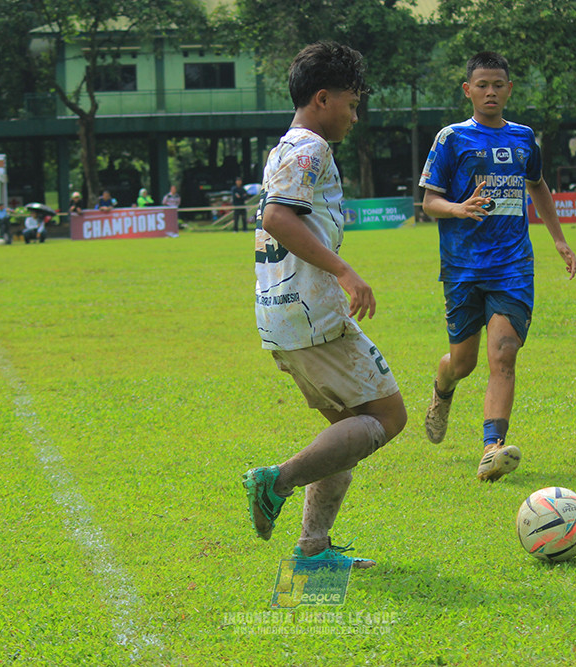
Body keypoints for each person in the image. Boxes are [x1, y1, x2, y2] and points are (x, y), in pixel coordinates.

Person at [242, 41, 406, 569]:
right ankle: (277, 481)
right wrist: (345, 271)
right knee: (388, 416)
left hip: (283, 313)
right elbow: (277, 219)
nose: (355, 117)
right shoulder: (311, 147)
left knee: (347, 430)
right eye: (351, 104)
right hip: (312, 312)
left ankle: (312, 549)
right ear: (322, 98)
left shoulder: (285, 147)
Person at [418, 51, 576, 482]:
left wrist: (559, 239)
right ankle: (443, 388)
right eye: (482, 85)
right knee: (463, 363)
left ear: (509, 89)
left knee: (504, 352)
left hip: (512, 265)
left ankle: (492, 448)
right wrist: (458, 207)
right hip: (463, 267)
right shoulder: (451, 138)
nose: (490, 92)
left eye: (498, 84)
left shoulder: (524, 138)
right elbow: (429, 201)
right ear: (468, 90)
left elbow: (538, 185)